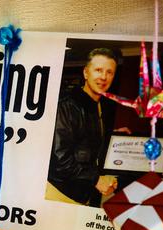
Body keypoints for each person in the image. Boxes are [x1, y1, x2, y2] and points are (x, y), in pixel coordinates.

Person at [48, 47, 122, 206]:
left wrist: (115, 137)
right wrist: (96, 180)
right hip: (60, 195)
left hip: (81, 196)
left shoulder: (99, 105)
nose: (103, 77)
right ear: (86, 73)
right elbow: (60, 159)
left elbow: (85, 140)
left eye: (109, 72)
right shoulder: (66, 106)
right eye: (98, 70)